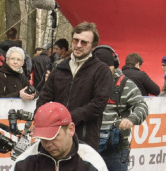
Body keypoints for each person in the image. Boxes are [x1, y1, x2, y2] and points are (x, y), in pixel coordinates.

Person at [93, 46, 148, 171]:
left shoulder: (125, 84)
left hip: (116, 146)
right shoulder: (89, 81)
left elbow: (142, 106)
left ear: (113, 65)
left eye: (104, 68)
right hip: (91, 144)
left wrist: (131, 119)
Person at [36, 21, 113, 150]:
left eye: (84, 42)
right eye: (75, 40)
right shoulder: (59, 68)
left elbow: (98, 104)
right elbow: (44, 97)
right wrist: (40, 118)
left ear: (93, 46)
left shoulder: (101, 70)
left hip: (84, 140)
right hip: (55, 139)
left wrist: (68, 118)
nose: (78, 45)